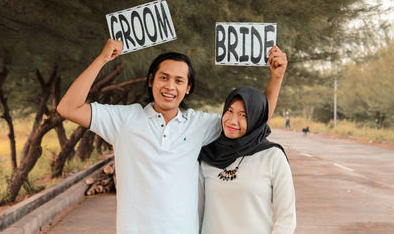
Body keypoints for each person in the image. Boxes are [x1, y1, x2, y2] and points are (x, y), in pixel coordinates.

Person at [57, 39, 287, 234]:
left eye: (179, 81)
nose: (170, 86)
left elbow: (254, 120)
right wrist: (102, 59)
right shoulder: (123, 120)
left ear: (188, 88)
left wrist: (276, 78)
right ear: (151, 81)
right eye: (163, 78)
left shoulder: (198, 125)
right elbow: (68, 108)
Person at [199, 87, 296, 234]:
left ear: (255, 120)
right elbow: (197, 211)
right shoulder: (208, 154)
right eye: (230, 111)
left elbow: (286, 217)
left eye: (243, 115)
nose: (232, 120)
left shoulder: (272, 157)